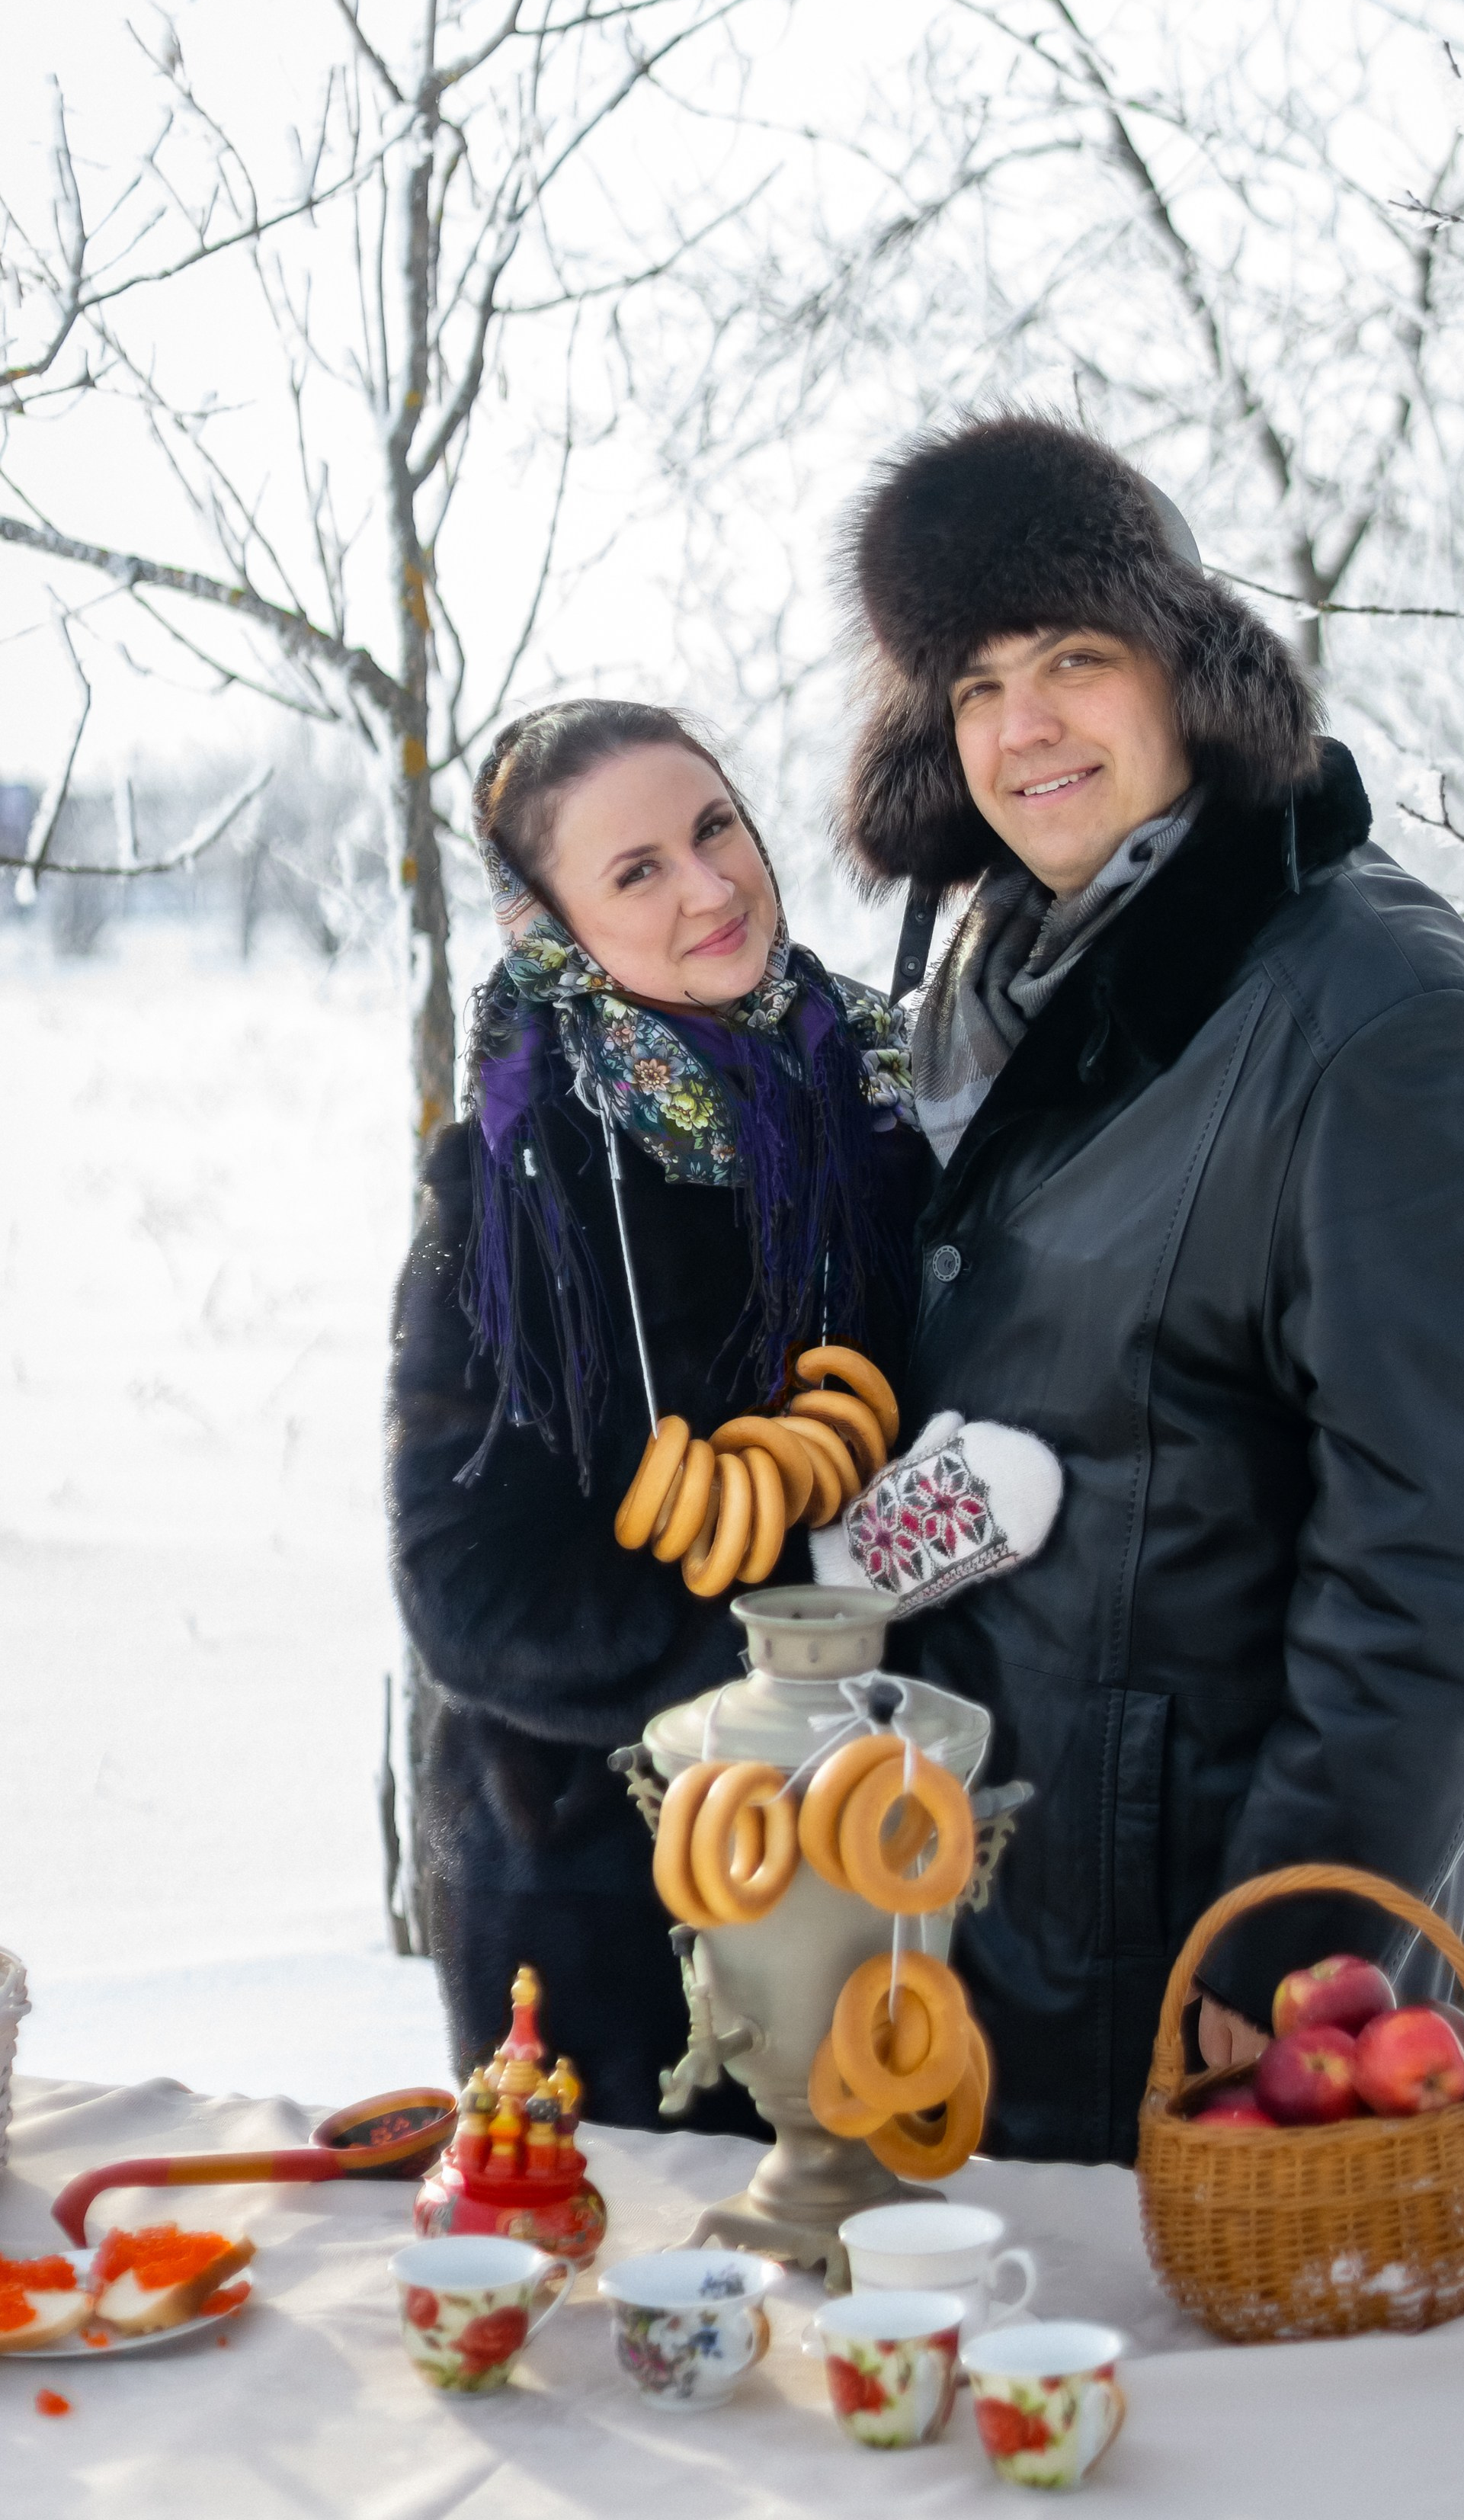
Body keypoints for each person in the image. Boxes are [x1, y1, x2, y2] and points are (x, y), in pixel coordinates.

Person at [838, 413, 1464, 2165]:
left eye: (1073, 660)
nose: (1021, 726)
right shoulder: (998, 987)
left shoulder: (1384, 1027)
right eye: (972, 685)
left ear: (1189, 671)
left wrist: (1295, 1945)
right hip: (975, 1942)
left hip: (1218, 1987)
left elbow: (1448, 1568)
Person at [386, 698, 924, 2127]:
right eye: (635, 872)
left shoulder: (884, 1109)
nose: (708, 886)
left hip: (891, 1870)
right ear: (552, 930)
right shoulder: (513, 1195)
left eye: (714, 829)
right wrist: (791, 1638)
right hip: (598, 1921)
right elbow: (470, 1591)